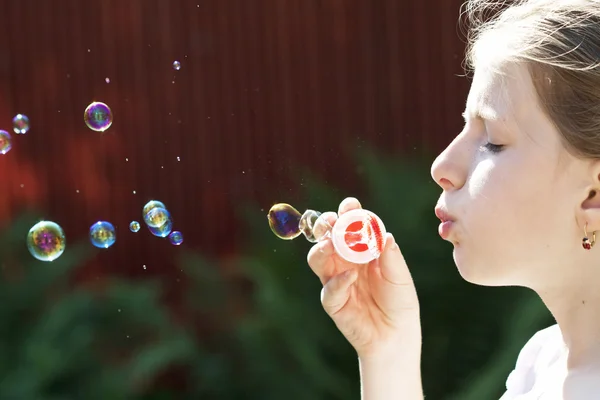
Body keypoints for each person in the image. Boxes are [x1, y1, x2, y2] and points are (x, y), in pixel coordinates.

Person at [306, 0, 600, 398]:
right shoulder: (541, 364)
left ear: (593, 194)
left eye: (492, 141)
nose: (442, 165)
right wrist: (388, 351)